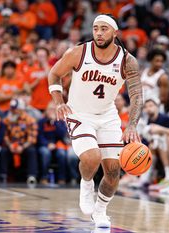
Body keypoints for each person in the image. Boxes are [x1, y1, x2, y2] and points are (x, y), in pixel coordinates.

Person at [48, 14, 143, 228]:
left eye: (104, 29)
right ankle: (86, 183)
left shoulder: (127, 60)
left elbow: (136, 94)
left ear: (115, 32)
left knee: (113, 170)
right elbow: (54, 74)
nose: (99, 33)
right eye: (96, 28)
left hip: (107, 116)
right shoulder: (79, 53)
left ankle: (100, 211)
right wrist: (59, 102)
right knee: (92, 158)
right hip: (79, 113)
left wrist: (132, 125)